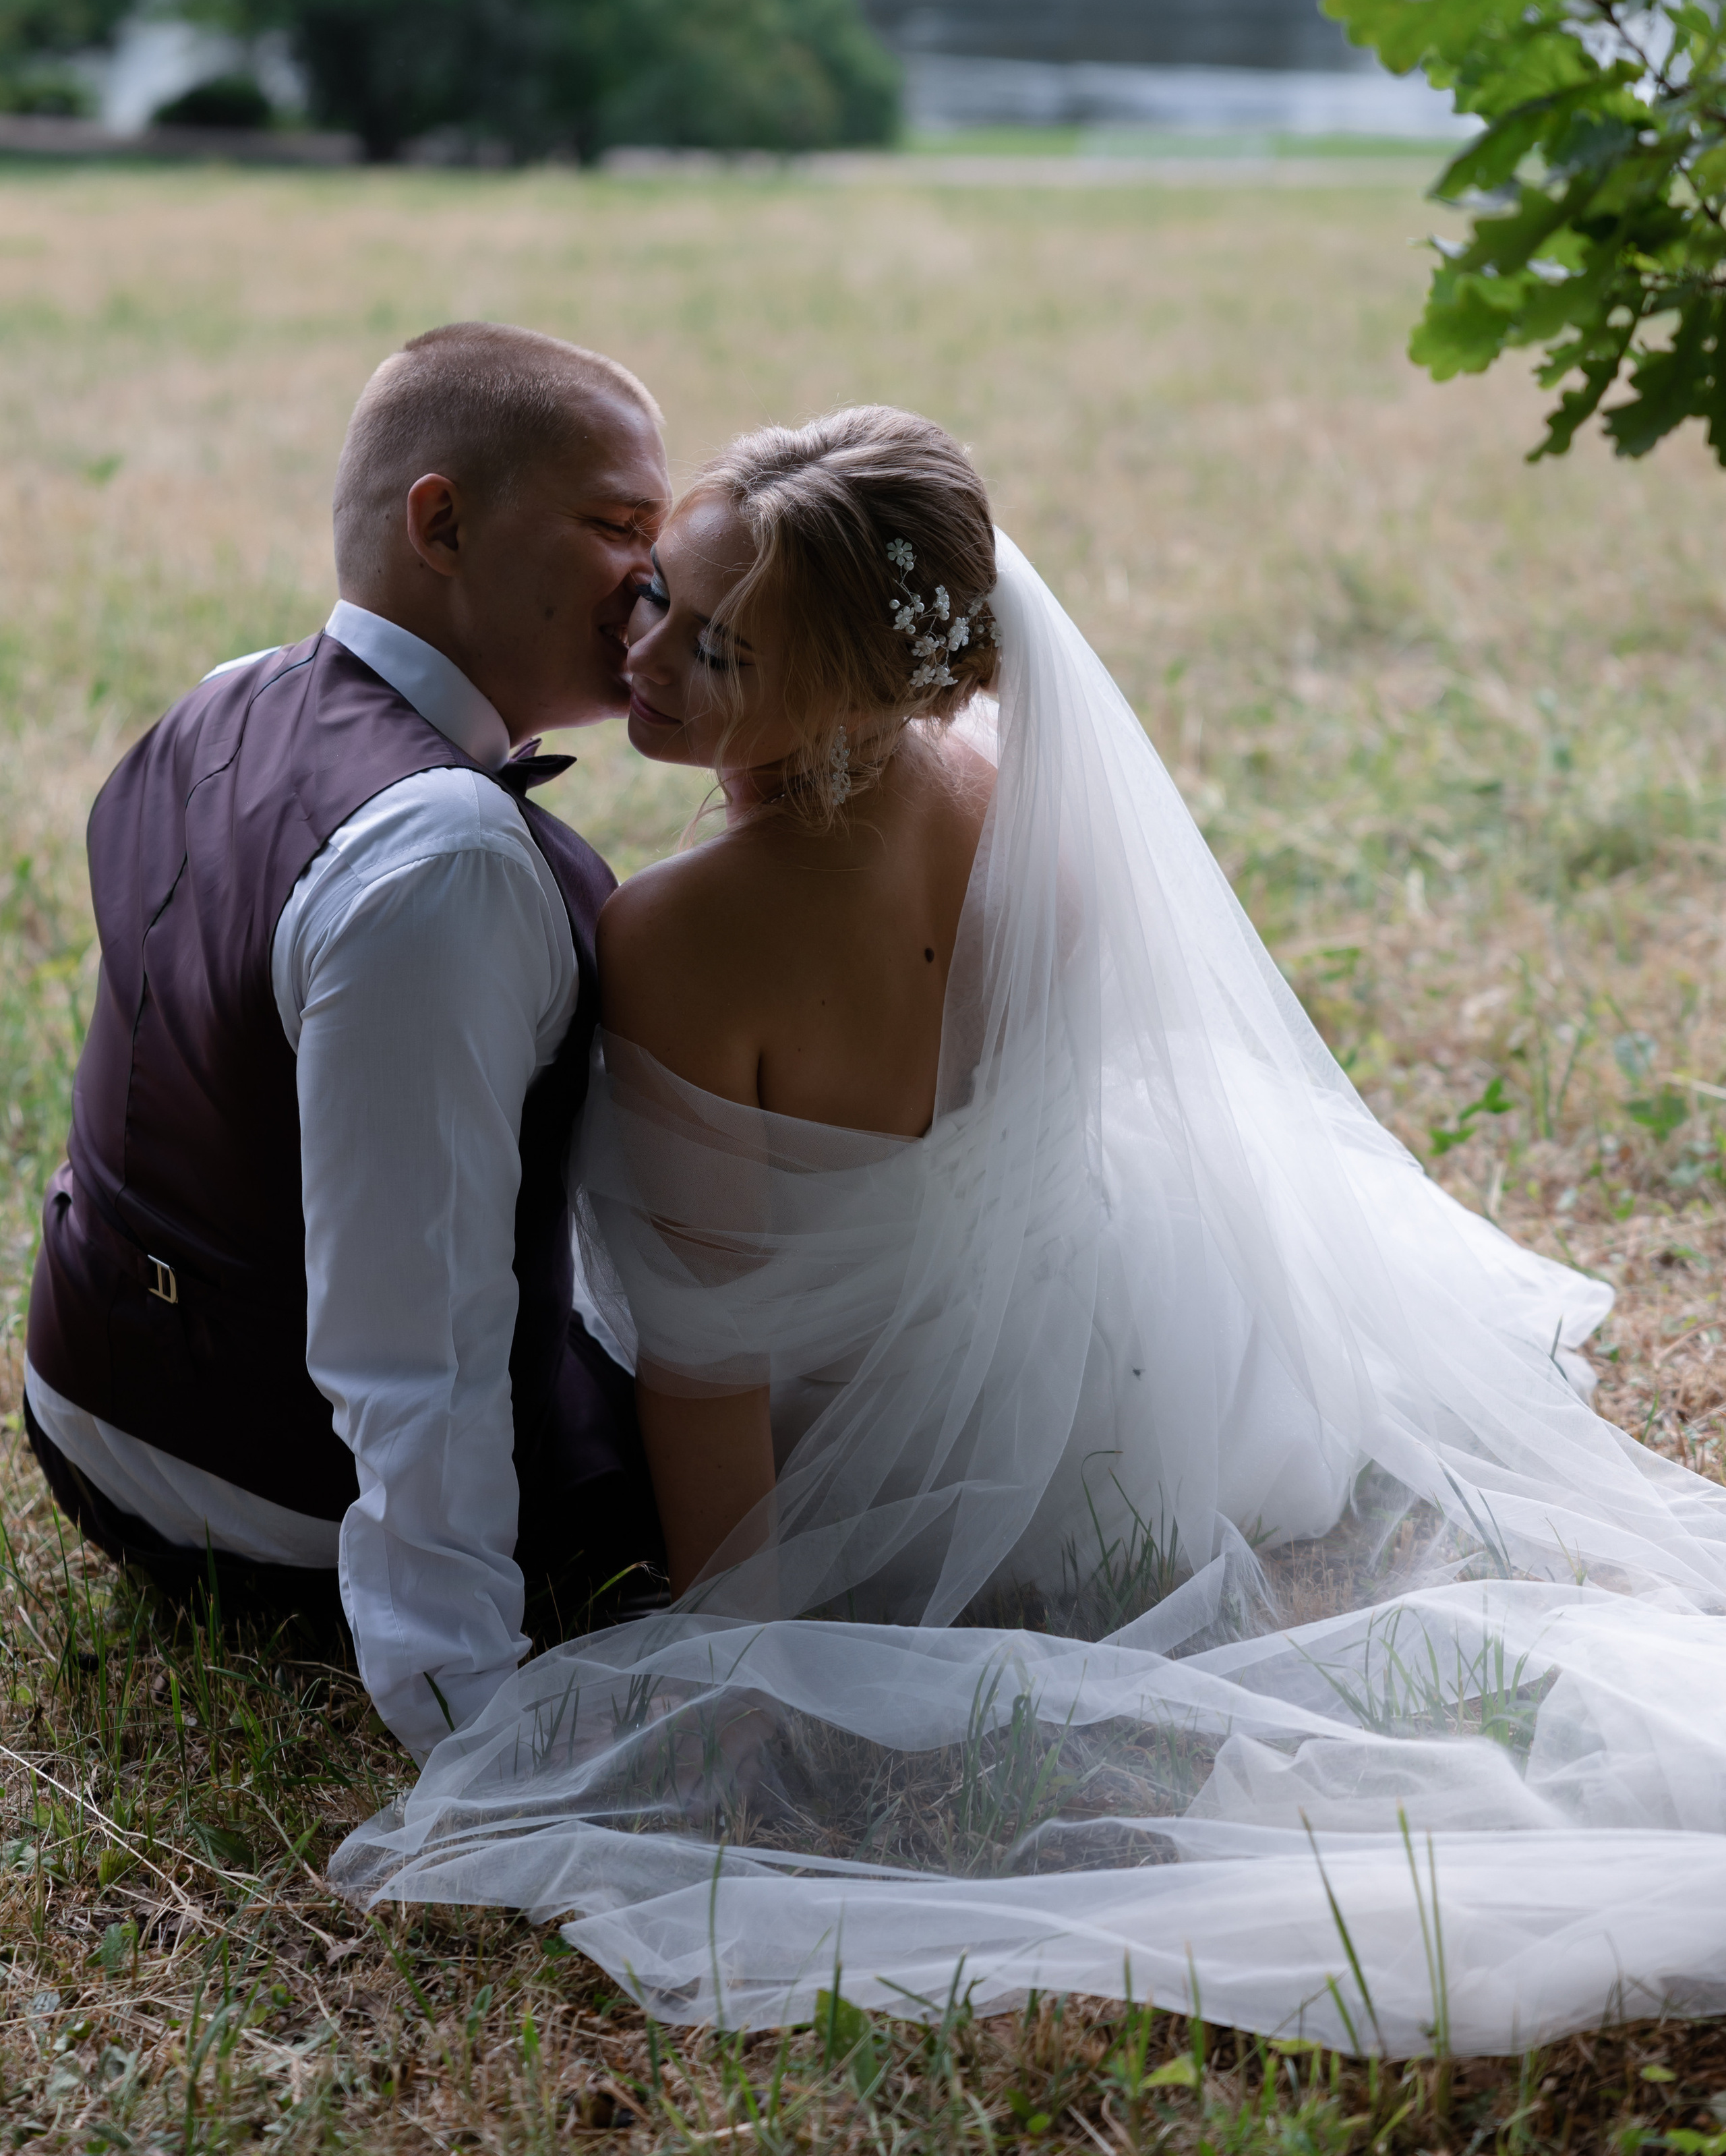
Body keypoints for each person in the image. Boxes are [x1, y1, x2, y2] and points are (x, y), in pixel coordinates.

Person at [338, 405, 1726, 2054]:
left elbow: (705, 1366)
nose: (642, 653)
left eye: (715, 650)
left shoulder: (687, 934)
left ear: (856, 685)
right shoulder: (1010, 794)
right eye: (659, 595)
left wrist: (746, 1672)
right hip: (1122, 1382)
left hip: (870, 1436)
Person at [24, 322, 673, 1758]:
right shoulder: (445, 856)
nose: (656, 581)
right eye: (617, 527)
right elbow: (416, 1337)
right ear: (439, 521)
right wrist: (463, 1712)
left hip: (82, 1404)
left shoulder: (224, 694)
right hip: (257, 1486)